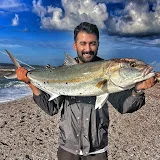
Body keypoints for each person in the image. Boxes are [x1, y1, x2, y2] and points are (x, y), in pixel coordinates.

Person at [16, 22, 156, 160]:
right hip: (68, 149)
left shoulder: (112, 77)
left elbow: (124, 106)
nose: (88, 49)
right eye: (83, 43)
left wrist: (138, 89)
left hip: (97, 150)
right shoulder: (61, 72)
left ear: (98, 45)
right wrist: (30, 82)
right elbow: (51, 108)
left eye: (92, 43)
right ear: (75, 45)